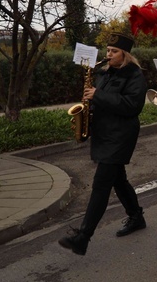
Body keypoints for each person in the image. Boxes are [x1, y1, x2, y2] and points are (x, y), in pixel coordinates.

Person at [59, 33, 147, 256]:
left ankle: (83, 237)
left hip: (121, 136)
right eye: (107, 50)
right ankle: (136, 216)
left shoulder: (135, 76)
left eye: (113, 51)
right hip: (104, 133)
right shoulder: (105, 73)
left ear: (125, 55)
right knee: (118, 179)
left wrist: (98, 95)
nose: (108, 55)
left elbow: (131, 106)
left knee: (101, 185)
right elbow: (100, 100)